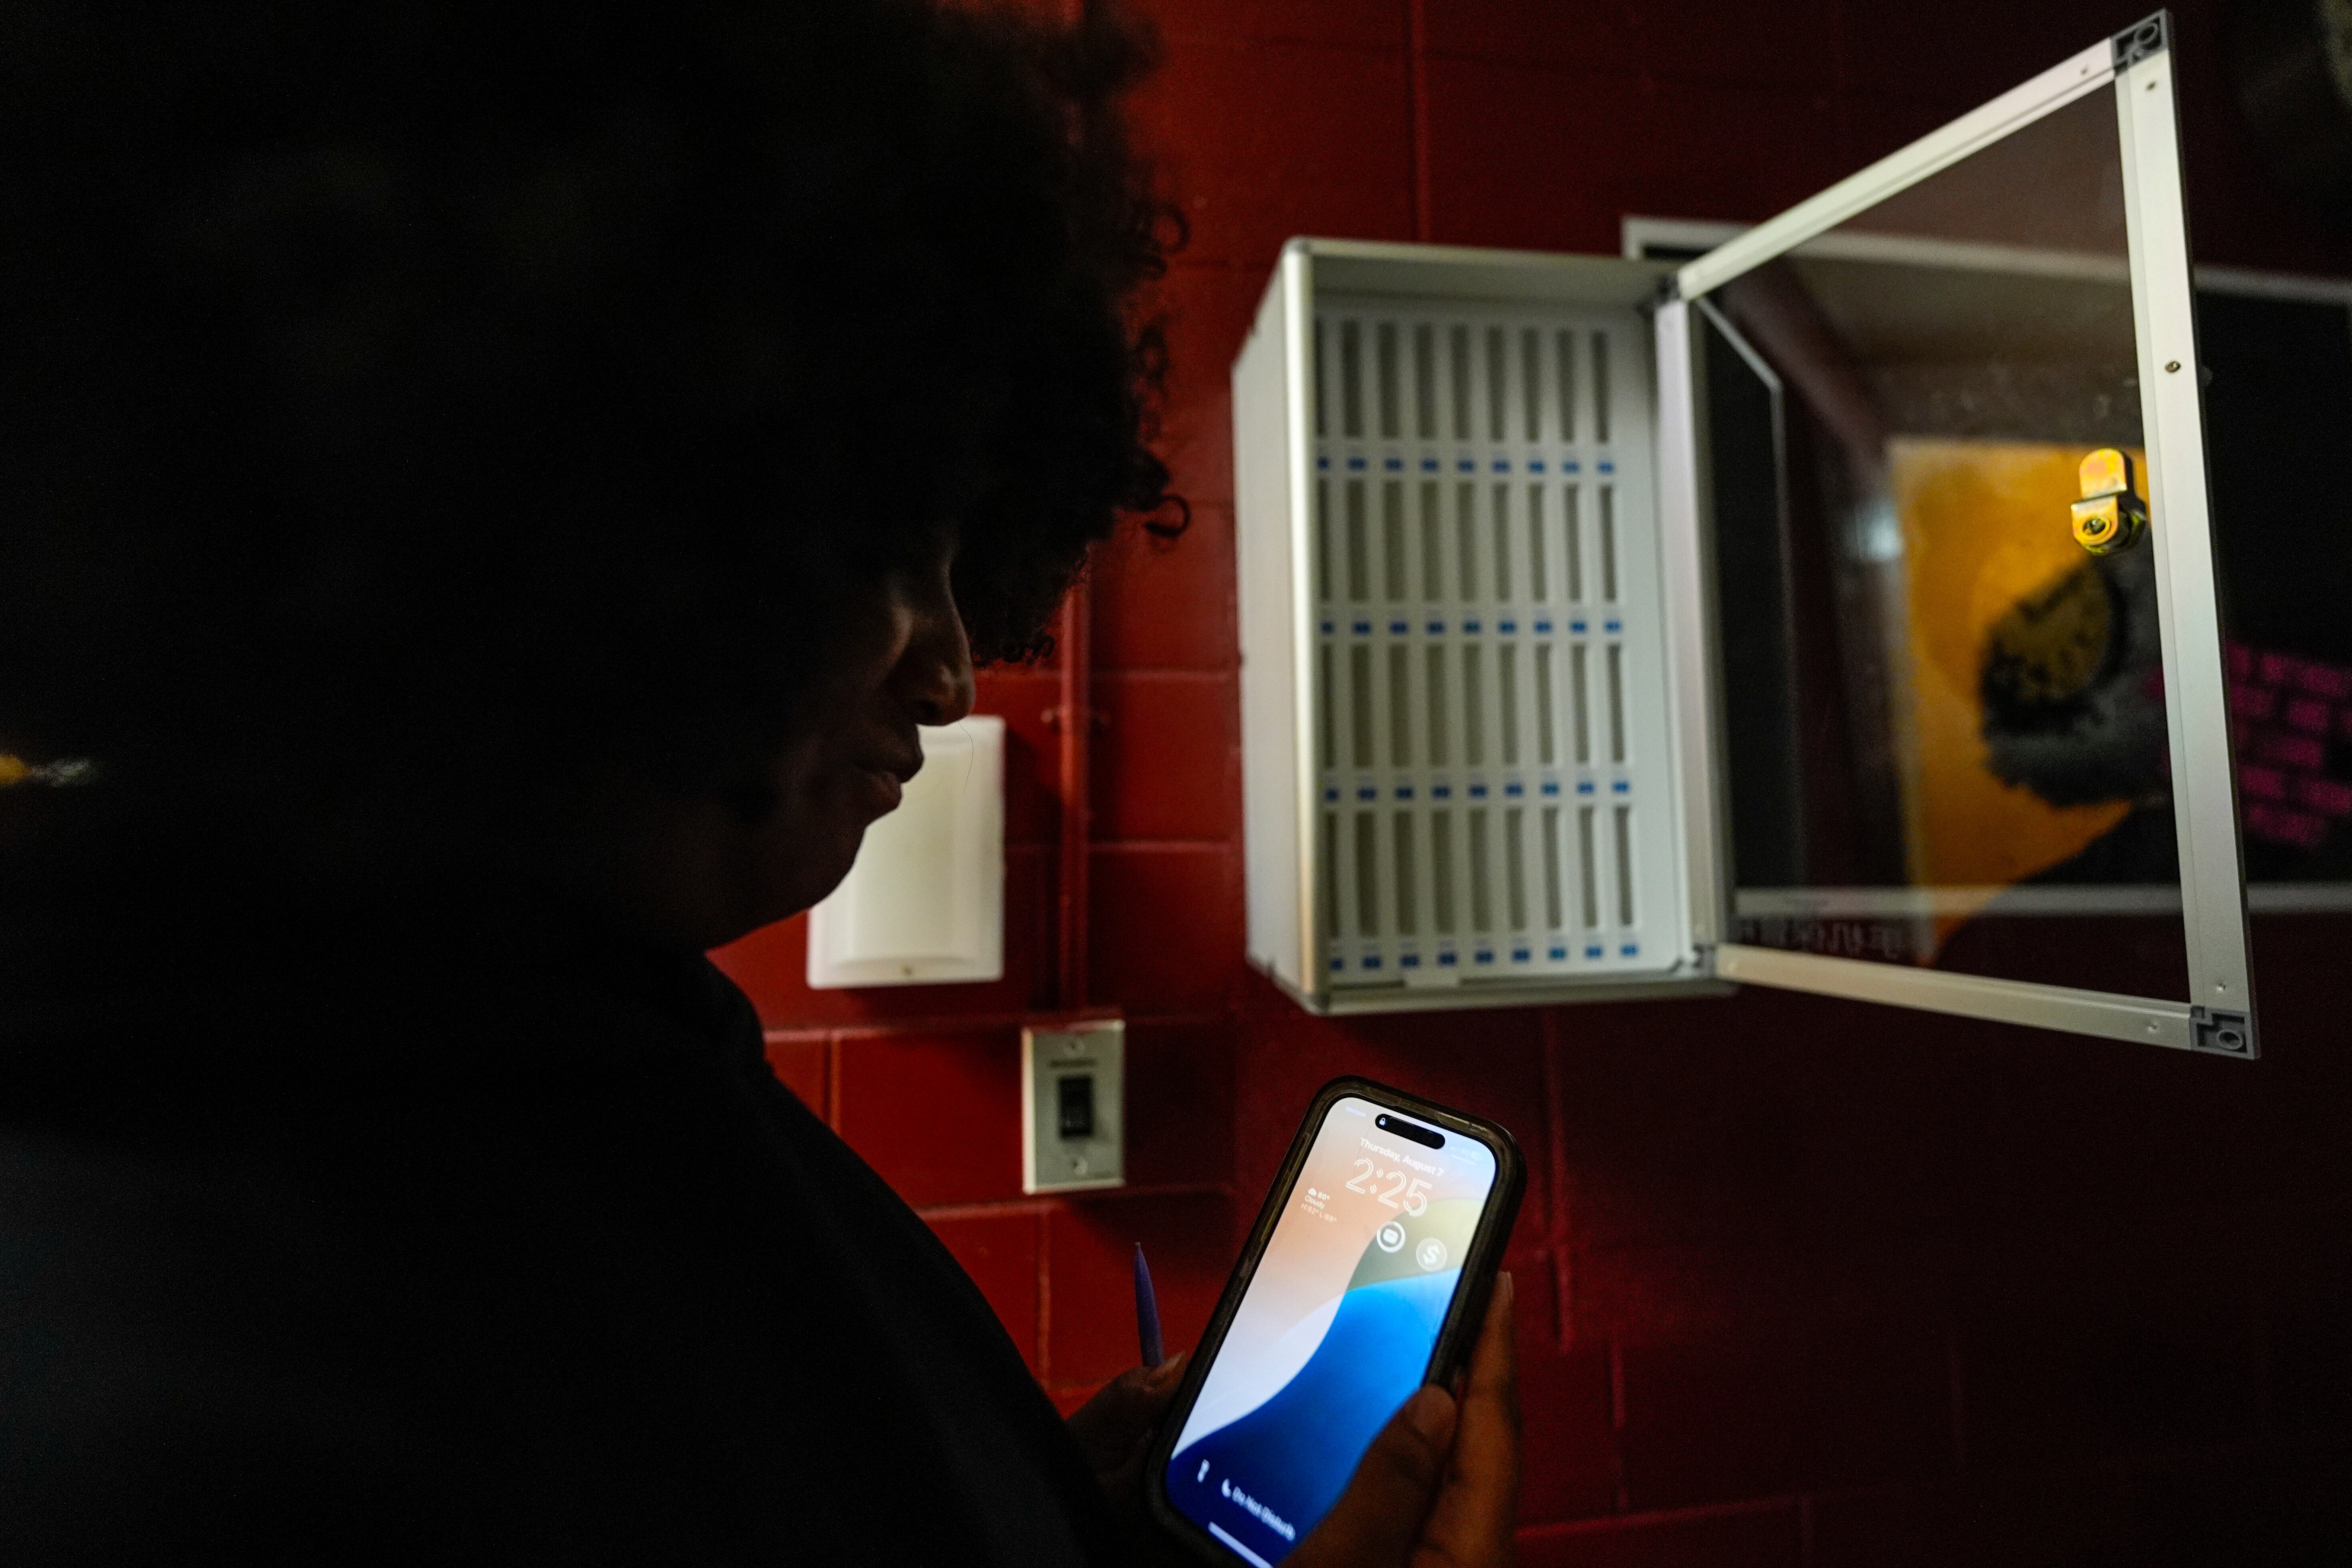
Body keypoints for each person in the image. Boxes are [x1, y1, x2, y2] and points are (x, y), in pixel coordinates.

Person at [0, 2, 1520, 1561]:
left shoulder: (537, 1030)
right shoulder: (149, 1404)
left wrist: (1054, 1511)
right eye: (882, 544)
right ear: (544, 514)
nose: (945, 668)